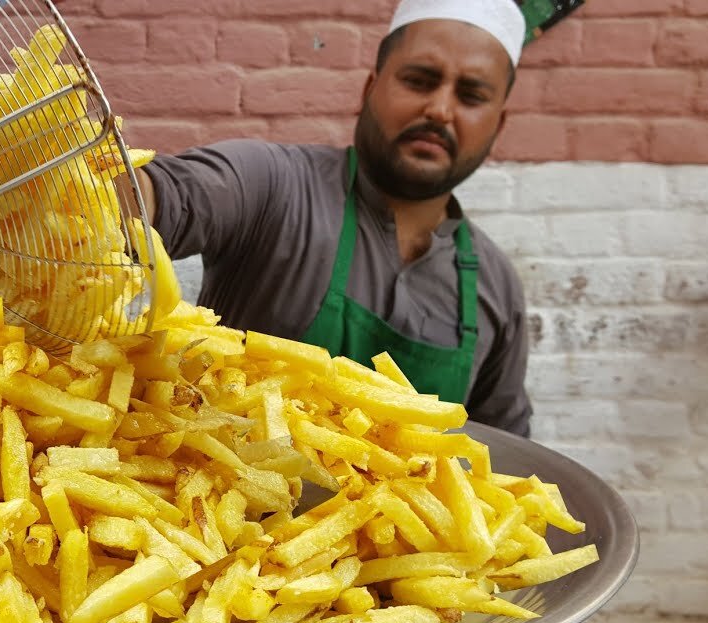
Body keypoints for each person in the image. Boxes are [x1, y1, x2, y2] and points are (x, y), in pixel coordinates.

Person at [126, 0, 533, 437]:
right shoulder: (275, 186)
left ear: (499, 123)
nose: (439, 109)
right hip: (235, 501)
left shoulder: (496, 287)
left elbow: (508, 452)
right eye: (419, 80)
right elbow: (158, 195)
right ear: (369, 90)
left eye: (470, 96)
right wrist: (89, 193)